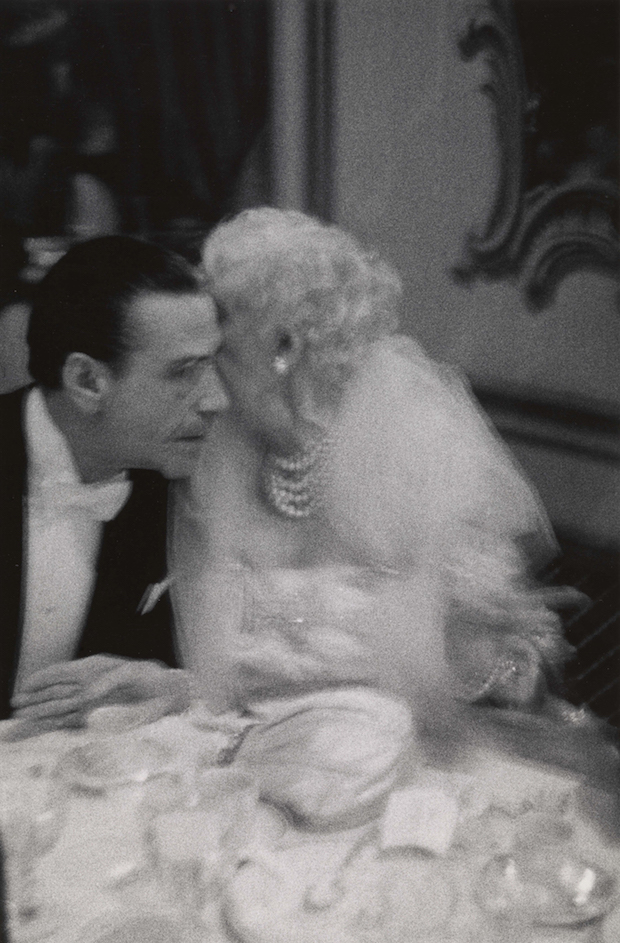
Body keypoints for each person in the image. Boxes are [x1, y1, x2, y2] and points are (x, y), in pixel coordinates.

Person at [167, 208, 620, 830]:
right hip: (258, 785)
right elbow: (214, 667)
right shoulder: (218, 452)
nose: (201, 351)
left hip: (408, 788)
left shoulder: (411, 445)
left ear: (285, 345)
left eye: (220, 326)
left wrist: (489, 648)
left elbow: (504, 672)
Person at [0, 234, 229, 729]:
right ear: (86, 381)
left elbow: (187, 661)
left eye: (213, 365)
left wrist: (160, 681)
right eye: (184, 372)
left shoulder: (172, 484)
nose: (216, 400)